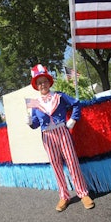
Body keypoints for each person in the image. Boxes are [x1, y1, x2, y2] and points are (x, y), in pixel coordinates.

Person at [26, 64, 95, 212]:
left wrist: (73, 119)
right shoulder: (35, 104)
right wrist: (30, 122)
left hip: (62, 132)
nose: (42, 84)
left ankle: (83, 193)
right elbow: (36, 124)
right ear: (36, 86)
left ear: (49, 82)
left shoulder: (60, 96)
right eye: (39, 83)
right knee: (56, 166)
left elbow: (76, 104)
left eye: (44, 81)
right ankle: (64, 196)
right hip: (47, 136)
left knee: (72, 162)